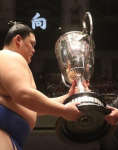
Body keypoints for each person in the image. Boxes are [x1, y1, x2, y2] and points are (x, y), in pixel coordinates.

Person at [0, 21, 83, 150]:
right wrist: (64, 111)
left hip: (11, 135)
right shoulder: (9, 56)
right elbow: (23, 94)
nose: (33, 50)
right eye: (31, 44)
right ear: (18, 40)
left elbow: (33, 106)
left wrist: (68, 97)